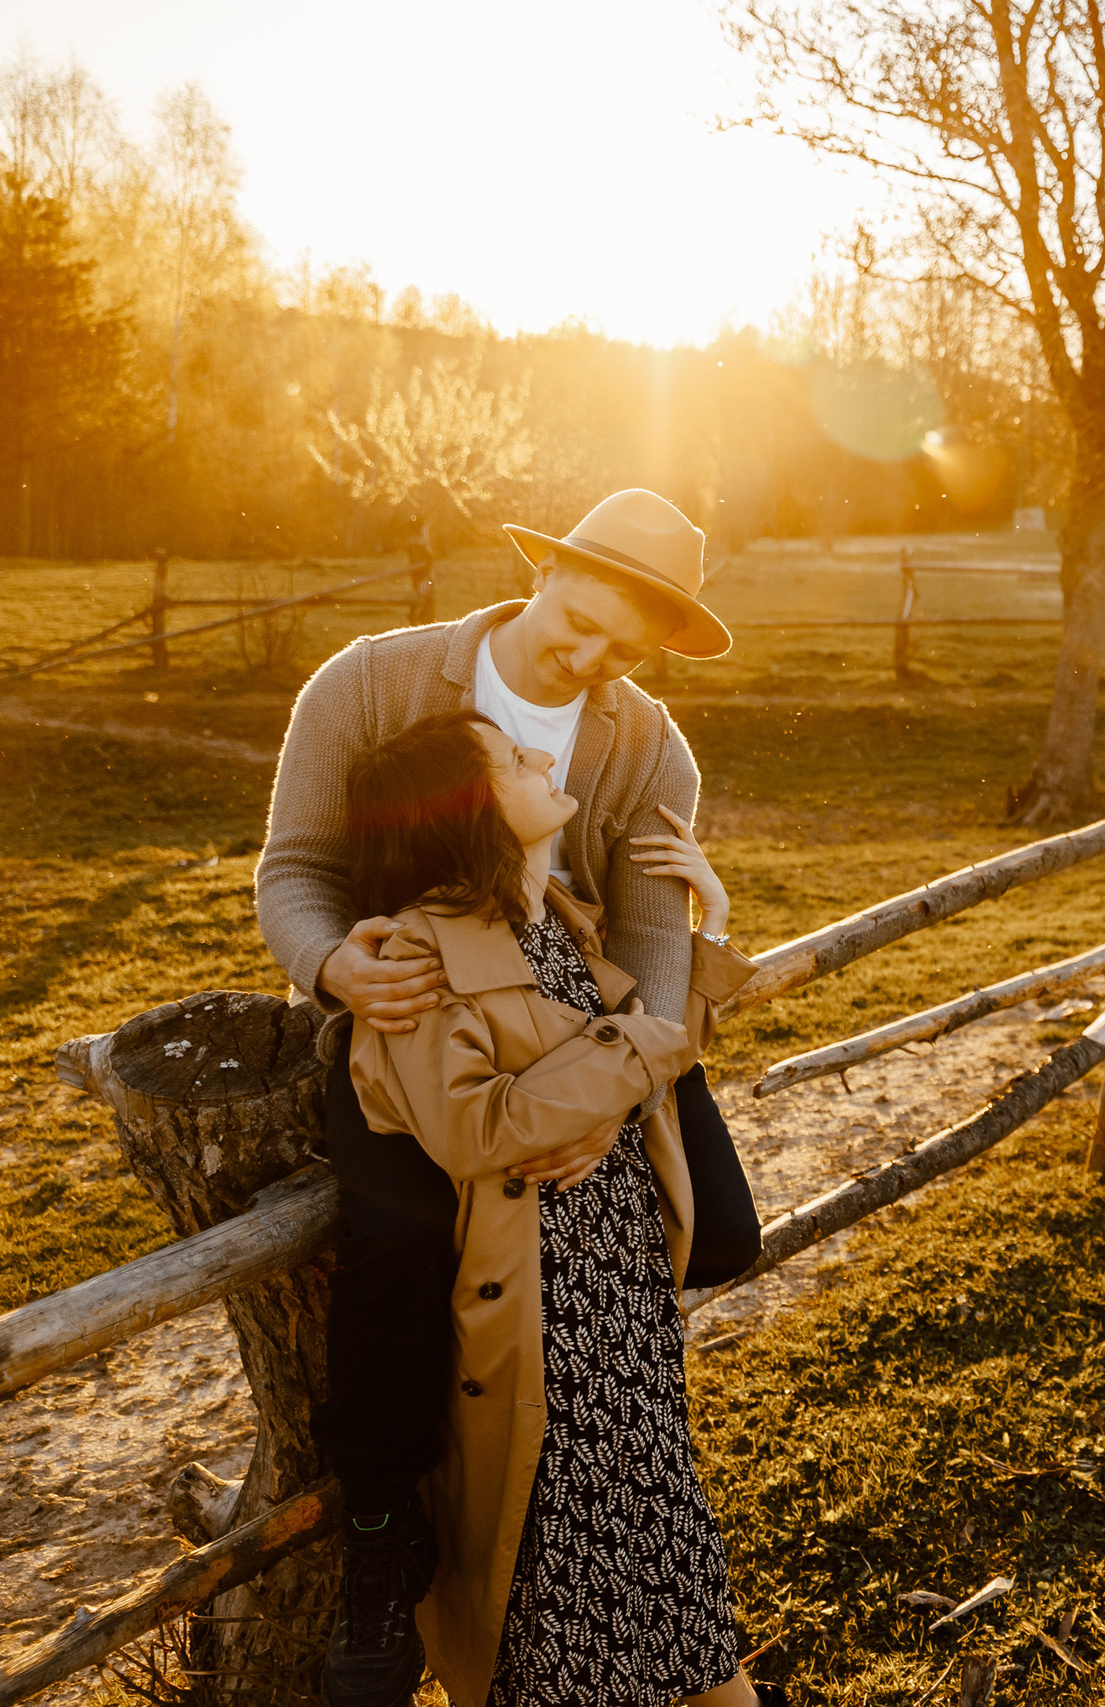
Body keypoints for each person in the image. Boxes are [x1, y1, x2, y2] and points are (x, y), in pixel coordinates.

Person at [252, 490, 762, 1706]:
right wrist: (335, 964)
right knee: (399, 1240)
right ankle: (386, 1526)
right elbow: (295, 868)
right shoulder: (369, 683)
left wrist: (608, 1102)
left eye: (619, 651)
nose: (585, 661)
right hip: (418, 1009)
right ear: (542, 574)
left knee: (720, 1230)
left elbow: (650, 937)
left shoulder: (645, 748)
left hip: (577, 1016)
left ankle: (595, 1476)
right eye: (577, 624)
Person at [339, 707, 767, 1707]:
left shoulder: (561, 917)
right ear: (467, 808)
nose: (541, 755)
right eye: (509, 756)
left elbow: (635, 1059)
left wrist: (711, 929)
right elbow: (482, 1131)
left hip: (628, 1322)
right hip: (552, 1347)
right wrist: (634, 1052)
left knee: (687, 1615)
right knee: (573, 1650)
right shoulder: (417, 952)